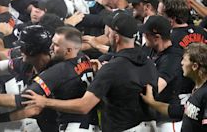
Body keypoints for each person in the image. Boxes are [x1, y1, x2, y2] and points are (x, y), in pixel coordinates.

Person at [23, 12, 159, 132]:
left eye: (109, 30)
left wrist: (45, 102)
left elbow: (84, 106)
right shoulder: (148, 62)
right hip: (150, 126)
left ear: (116, 37)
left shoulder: (111, 69)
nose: (106, 33)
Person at [141, 43, 207, 132]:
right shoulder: (198, 88)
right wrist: (151, 102)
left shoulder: (205, 93)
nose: (181, 63)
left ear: (194, 66)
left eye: (184, 59)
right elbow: (177, 111)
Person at [140, 15, 185, 131]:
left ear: (157, 38)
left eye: (146, 35)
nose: (144, 37)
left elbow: (156, 88)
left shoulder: (172, 58)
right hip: (154, 117)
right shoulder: (150, 48)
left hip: (169, 121)